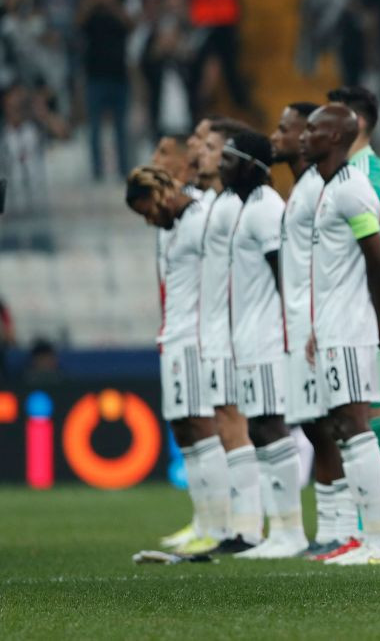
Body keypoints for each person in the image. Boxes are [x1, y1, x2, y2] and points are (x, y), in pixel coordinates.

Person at [299, 104, 380, 565]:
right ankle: (364, 537)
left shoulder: (353, 187)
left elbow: (377, 259)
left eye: (314, 129)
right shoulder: (326, 187)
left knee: (357, 427)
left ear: (337, 136)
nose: (304, 135)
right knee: (343, 427)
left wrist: (375, 321)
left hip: (353, 327)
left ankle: (378, 538)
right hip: (333, 327)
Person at [125, 166, 229, 554]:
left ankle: (219, 525)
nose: (150, 219)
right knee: (184, 430)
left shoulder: (202, 217)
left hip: (197, 337)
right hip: (175, 337)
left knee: (203, 426)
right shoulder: (176, 226)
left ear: (162, 193)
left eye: (148, 209)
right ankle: (203, 520)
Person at [270, 101, 356, 557]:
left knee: (332, 426)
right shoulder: (306, 188)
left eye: (289, 129)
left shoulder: (324, 188)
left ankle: (344, 528)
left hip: (322, 323)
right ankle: (330, 529)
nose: (282, 137)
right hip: (302, 324)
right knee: (315, 426)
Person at [220, 131, 306, 559]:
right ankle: (280, 530)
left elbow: (284, 273)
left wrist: (290, 331)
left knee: (270, 424)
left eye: (229, 158)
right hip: (251, 336)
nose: (220, 165)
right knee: (258, 427)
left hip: (270, 335)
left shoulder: (267, 208)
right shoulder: (249, 206)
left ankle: (290, 531)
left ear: (252, 165)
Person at [326, 85, 380, 531]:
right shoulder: (345, 174)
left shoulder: (369, 175)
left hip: (370, 316)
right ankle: (359, 524)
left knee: (375, 419)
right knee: (352, 422)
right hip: (348, 317)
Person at [195, 118, 261, 554]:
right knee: (225, 422)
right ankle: (235, 526)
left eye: (211, 145)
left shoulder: (237, 206)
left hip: (236, 328)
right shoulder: (216, 204)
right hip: (218, 326)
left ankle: (248, 528)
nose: (202, 152)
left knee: (235, 421)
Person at [78, 0, 134, 180]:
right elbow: (78, 23)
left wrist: (113, 5)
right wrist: (93, 1)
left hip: (119, 77)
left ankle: (123, 170)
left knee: (121, 127)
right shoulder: (90, 13)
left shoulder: (119, 10)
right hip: (95, 77)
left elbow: (130, 25)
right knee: (94, 128)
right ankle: (97, 172)